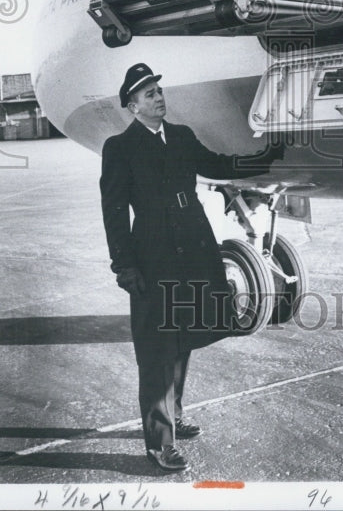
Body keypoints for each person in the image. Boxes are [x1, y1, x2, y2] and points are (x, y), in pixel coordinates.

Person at [99, 62, 283, 473]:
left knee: (181, 340)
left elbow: (217, 165)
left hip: (194, 247)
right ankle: (159, 443)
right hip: (153, 254)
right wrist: (123, 265)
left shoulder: (180, 136)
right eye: (148, 94)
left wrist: (265, 156)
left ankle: (174, 414)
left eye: (159, 91)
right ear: (133, 106)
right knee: (156, 348)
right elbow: (113, 211)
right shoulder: (120, 148)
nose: (158, 98)